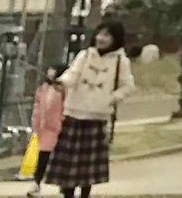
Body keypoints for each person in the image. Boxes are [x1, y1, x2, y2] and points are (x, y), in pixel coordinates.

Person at [50, 20, 132, 198]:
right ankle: (68, 194)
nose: (101, 38)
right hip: (74, 112)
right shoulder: (85, 55)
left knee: (88, 165)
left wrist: (111, 98)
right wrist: (62, 83)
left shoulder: (120, 61)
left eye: (107, 35)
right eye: (100, 34)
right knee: (69, 162)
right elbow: (73, 73)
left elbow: (128, 86)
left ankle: (85, 195)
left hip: (97, 116)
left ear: (115, 39)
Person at [27, 64, 65, 197]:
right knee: (43, 156)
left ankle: (64, 184)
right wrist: (36, 123)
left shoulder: (63, 90)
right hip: (46, 128)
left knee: (62, 158)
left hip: (60, 128)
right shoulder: (43, 89)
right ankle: (36, 183)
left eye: (53, 70)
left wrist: (62, 121)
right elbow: (38, 106)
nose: (50, 73)